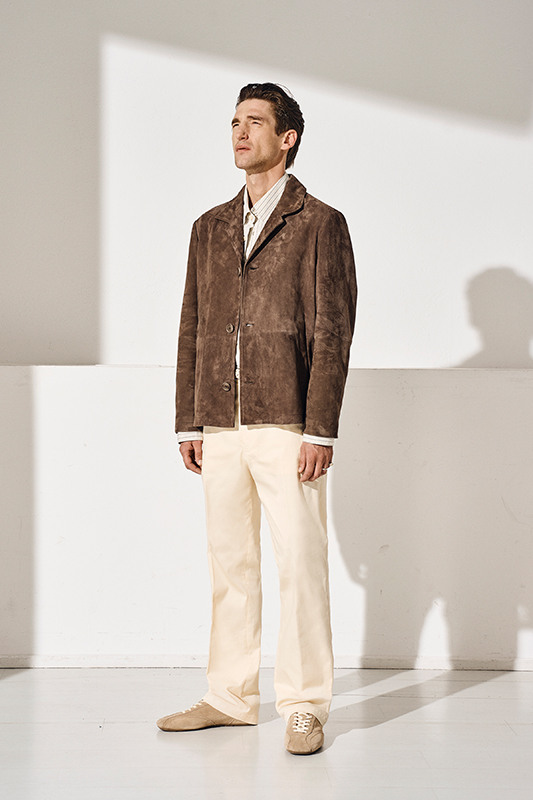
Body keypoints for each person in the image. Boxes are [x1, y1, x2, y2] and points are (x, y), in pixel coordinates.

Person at [157, 83, 357, 755]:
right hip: (220, 420)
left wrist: (319, 428)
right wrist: (189, 420)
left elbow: (332, 332)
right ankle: (230, 696)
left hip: (287, 421)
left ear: (286, 137)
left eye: (254, 123)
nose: (240, 134)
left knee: (300, 564)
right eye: (235, 123)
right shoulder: (208, 226)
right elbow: (192, 325)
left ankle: (304, 704)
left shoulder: (320, 223)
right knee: (230, 564)